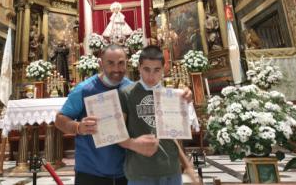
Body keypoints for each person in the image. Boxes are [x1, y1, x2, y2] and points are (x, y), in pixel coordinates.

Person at [55, 44, 155, 185]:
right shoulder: (84, 89)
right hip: (91, 173)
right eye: (111, 63)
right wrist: (78, 127)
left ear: (127, 62)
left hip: (127, 172)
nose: (116, 69)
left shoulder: (133, 89)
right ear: (101, 63)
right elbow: (59, 120)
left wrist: (182, 96)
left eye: (121, 63)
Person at [119, 45, 198, 185]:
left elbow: (172, 138)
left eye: (156, 70)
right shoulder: (126, 94)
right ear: (139, 68)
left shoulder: (170, 95)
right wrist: (133, 143)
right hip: (140, 173)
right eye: (146, 69)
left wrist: (187, 165)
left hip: (171, 171)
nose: (151, 76)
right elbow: (117, 135)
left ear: (163, 69)